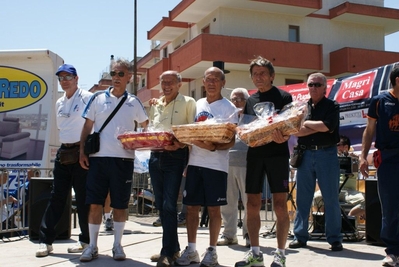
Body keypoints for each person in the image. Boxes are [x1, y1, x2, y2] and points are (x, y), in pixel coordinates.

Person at [79, 58, 149, 262]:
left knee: (120, 205)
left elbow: (146, 124)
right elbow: (86, 127)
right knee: (94, 204)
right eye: (113, 74)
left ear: (129, 77)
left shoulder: (133, 102)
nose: (116, 77)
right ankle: (92, 246)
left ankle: (117, 245)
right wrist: (82, 151)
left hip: (123, 160)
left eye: (120, 74)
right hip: (98, 159)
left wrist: (139, 140)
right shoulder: (97, 98)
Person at [175, 67, 238, 267]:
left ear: (223, 83)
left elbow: (231, 141)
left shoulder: (229, 108)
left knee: (214, 210)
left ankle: (212, 251)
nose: (211, 83)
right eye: (208, 79)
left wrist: (212, 147)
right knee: (191, 209)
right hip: (194, 164)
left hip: (216, 166)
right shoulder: (196, 104)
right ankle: (192, 249)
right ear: (203, 81)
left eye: (216, 79)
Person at [235, 56, 292, 267]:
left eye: (262, 73)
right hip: (255, 154)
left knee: (279, 204)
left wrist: (285, 136)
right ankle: (255, 253)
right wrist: (242, 132)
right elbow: (248, 128)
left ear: (272, 76)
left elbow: (291, 123)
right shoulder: (250, 100)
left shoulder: (285, 96)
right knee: (251, 204)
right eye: (255, 74)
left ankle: (280, 254)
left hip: (277, 154)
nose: (258, 77)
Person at [36, 64, 92, 257]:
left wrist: (85, 150)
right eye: (61, 78)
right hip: (64, 152)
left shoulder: (86, 97)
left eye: (68, 77)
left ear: (76, 78)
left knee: (84, 199)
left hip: (82, 152)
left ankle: (86, 241)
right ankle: (45, 241)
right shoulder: (59, 102)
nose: (65, 81)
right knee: (57, 197)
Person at [289, 72, 343, 252]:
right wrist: (316, 126)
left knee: (331, 198)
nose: (313, 88)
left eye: (317, 85)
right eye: (311, 84)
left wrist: (309, 124)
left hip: (326, 155)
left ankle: (334, 239)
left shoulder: (332, 105)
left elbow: (328, 127)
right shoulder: (302, 107)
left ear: (325, 88)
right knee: (303, 199)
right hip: (305, 155)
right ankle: (300, 236)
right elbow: (297, 131)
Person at [148, 70, 196, 267]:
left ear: (179, 84)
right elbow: (152, 128)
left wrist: (180, 144)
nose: (166, 86)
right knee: (160, 204)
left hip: (175, 156)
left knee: (169, 204)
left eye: (170, 82)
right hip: (155, 156)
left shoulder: (188, 102)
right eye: (163, 82)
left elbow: (192, 130)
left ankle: (167, 252)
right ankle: (171, 248)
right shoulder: (156, 104)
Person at [359, 66, 399, 266]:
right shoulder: (379, 101)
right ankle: (393, 252)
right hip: (389, 158)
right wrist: (363, 156)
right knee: (390, 206)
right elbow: (369, 130)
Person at [217, 88, 250, 248]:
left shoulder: (253, 118)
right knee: (227, 203)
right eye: (234, 99)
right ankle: (229, 235)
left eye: (240, 99)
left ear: (247, 100)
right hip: (226, 163)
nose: (237, 102)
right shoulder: (226, 118)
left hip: (247, 164)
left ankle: (249, 235)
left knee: (249, 202)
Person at [313, 135, 365, 218]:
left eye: (337, 145)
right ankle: (328, 218)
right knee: (316, 197)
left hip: (349, 192)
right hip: (332, 190)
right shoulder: (331, 158)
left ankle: (349, 219)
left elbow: (359, 163)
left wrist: (353, 158)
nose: (335, 147)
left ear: (346, 147)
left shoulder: (353, 158)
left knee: (367, 200)